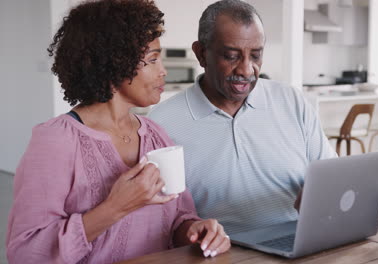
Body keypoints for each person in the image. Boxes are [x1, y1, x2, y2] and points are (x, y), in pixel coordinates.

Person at [6, 0, 230, 263]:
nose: (163, 71)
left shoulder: (156, 134)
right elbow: (26, 253)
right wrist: (115, 208)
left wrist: (194, 230)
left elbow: (177, 217)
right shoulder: (55, 141)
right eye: (152, 59)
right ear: (115, 62)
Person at [148, 0, 336, 235]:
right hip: (221, 254)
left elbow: (330, 174)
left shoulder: (292, 101)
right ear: (201, 54)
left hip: (298, 243)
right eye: (231, 56)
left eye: (256, 56)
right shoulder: (162, 123)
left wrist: (321, 190)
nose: (246, 70)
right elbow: (161, 221)